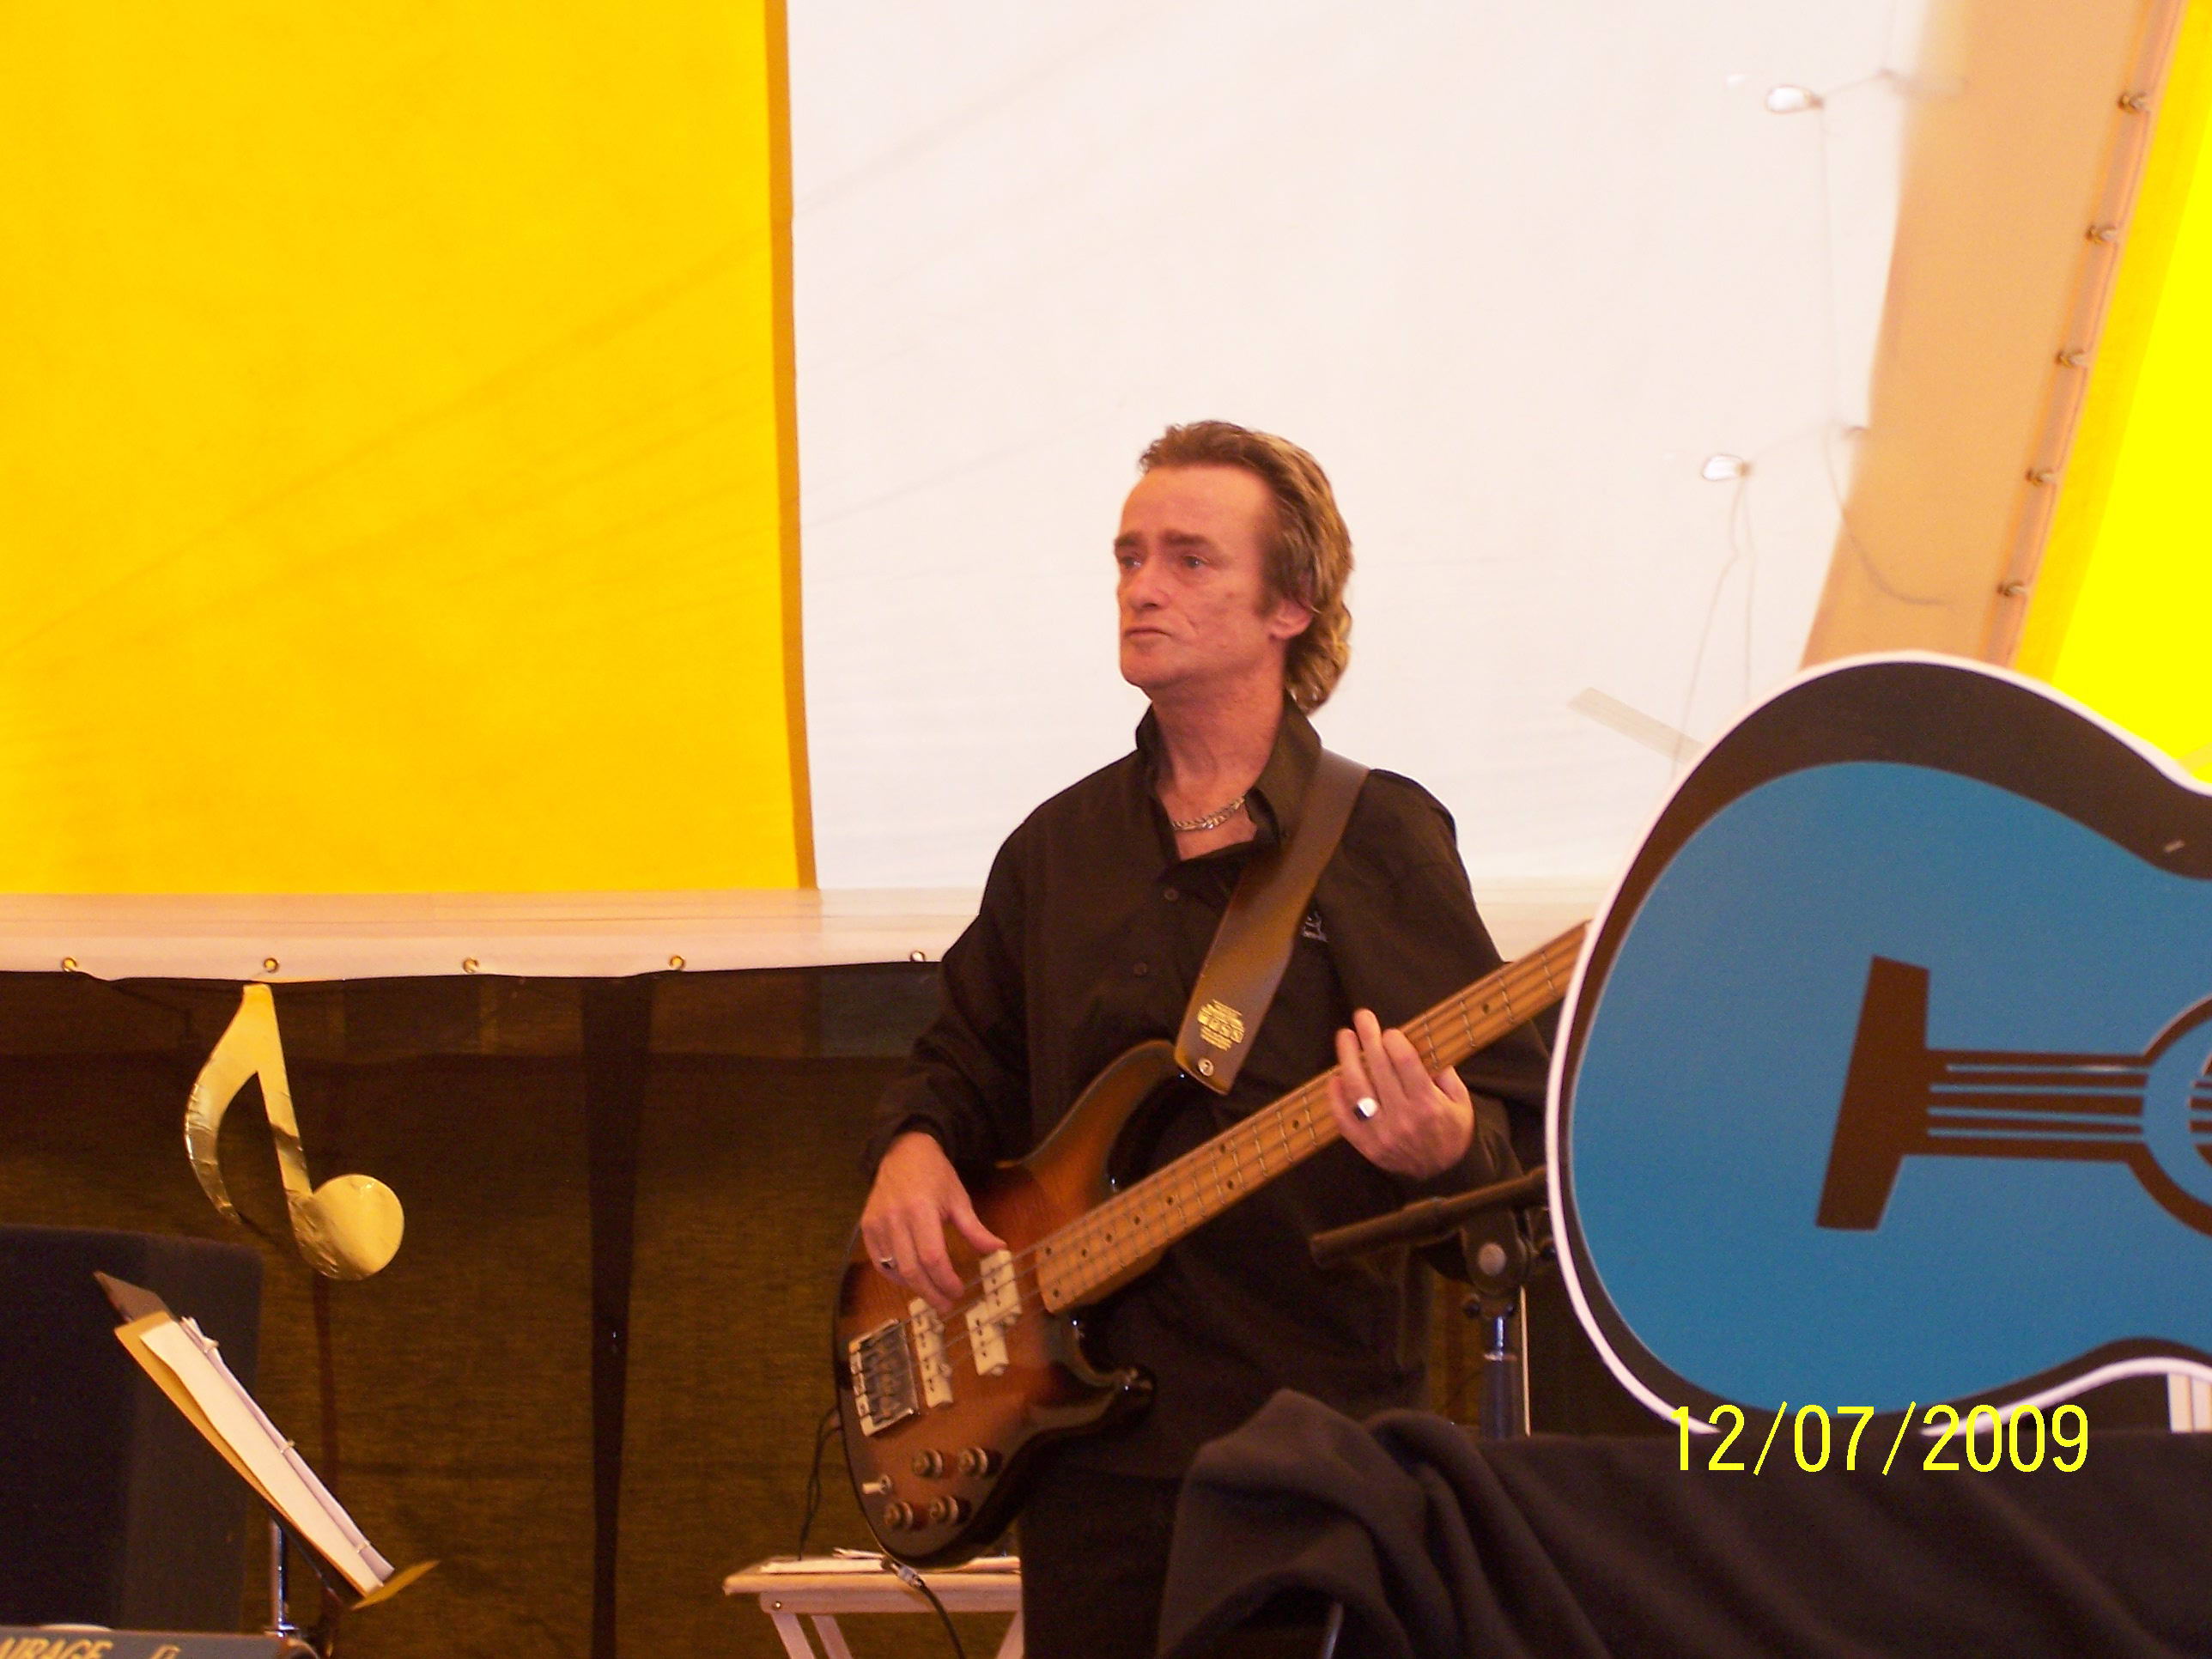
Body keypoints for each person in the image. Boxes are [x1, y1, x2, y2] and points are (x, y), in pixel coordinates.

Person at [858, 420, 1549, 1659]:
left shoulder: (1380, 839)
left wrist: (1446, 1152)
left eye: (1189, 559)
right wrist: (911, 1147)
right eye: (1129, 557)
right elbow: (964, 1058)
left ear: (1291, 605)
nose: (1142, 586)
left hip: (1307, 1452)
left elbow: (1520, 1155)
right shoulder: (1057, 849)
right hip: (1087, 1467)